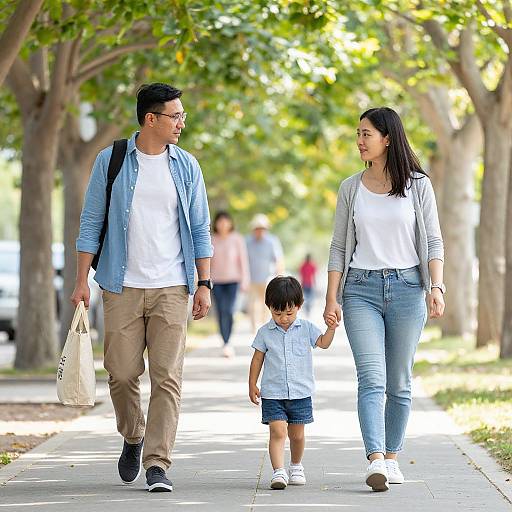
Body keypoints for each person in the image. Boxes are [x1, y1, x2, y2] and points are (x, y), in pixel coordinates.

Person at [72, 83, 213, 493]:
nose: (182, 123)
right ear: (151, 119)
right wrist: (82, 280)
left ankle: (157, 462)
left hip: (172, 285)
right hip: (121, 285)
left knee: (167, 377)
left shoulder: (187, 166)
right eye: (176, 116)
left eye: (182, 115)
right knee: (120, 373)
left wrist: (204, 283)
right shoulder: (111, 161)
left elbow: (201, 229)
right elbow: (91, 222)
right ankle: (133, 435)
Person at [324, 107, 445, 492]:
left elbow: (434, 241)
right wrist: (332, 299)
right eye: (358, 133)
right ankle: (375, 458)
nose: (359, 141)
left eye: (366, 134)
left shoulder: (418, 185)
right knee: (371, 378)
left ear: (387, 138)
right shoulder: (351, 187)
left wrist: (436, 287)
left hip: (409, 288)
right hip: (360, 290)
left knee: (400, 382)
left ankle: (392, 457)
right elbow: (339, 247)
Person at [249, 276, 338, 490]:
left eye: (289, 313)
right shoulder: (264, 332)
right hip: (273, 393)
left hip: (301, 393)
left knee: (297, 435)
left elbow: (323, 344)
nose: (283, 318)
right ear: (269, 308)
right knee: (277, 432)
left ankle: (296, 465)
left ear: (299, 306)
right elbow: (257, 359)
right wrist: (252, 384)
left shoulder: (306, 328)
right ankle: (278, 471)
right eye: (277, 313)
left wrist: (331, 328)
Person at [210, 211, 250, 357]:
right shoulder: (212, 239)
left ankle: (228, 340)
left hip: (234, 281)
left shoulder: (237, 239)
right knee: (220, 311)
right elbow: (207, 261)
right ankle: (225, 341)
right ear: (216, 224)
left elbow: (243, 261)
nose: (223, 224)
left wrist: (245, 280)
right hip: (216, 281)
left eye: (226, 221)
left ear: (230, 223)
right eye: (220, 221)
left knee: (230, 310)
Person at [246, 214, 284, 332]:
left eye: (262, 228)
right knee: (252, 304)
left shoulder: (272, 241)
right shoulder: (247, 241)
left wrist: (280, 276)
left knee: (266, 304)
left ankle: (264, 326)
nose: (260, 231)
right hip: (251, 278)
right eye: (257, 228)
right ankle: (254, 327)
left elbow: (278, 259)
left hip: (267, 278)